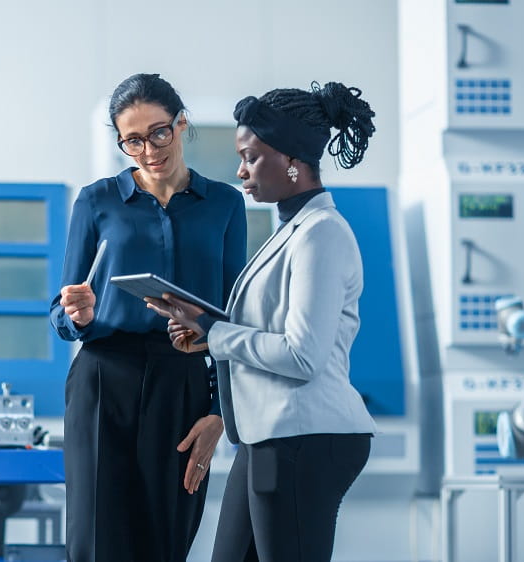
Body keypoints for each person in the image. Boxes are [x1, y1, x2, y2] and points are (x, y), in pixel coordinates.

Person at [146, 81, 378, 562]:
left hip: (305, 437)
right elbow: (268, 329)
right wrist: (205, 331)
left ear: (291, 159)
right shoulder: (291, 230)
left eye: (250, 157)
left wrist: (216, 333)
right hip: (266, 435)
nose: (240, 171)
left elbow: (302, 355)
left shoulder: (322, 234)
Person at [50, 73, 247, 562]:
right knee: (96, 541)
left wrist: (220, 413)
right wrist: (78, 316)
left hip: (183, 381)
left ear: (181, 124)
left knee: (167, 538)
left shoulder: (224, 204)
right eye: (132, 141)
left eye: (159, 133)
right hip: (103, 378)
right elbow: (61, 311)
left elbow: (235, 318)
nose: (148, 151)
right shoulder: (95, 200)